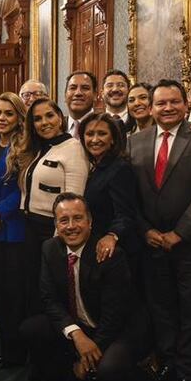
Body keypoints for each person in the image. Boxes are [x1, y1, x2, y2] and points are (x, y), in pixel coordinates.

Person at [19, 193, 164, 381]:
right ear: (56, 224)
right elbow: (49, 300)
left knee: (109, 368)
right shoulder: (49, 248)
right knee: (31, 329)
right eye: (63, 220)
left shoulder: (110, 255)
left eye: (78, 218)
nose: (71, 226)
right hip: (83, 325)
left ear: (90, 222)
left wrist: (88, 354)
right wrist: (77, 335)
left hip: (121, 329)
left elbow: (114, 315)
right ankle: (73, 379)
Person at [130, 80, 191, 381]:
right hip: (151, 243)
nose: (167, 108)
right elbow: (131, 196)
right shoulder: (135, 141)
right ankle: (167, 361)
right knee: (161, 308)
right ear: (151, 107)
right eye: (161, 103)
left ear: (185, 105)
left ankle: (188, 372)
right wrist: (146, 231)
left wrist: (179, 232)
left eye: (173, 102)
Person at [11, 98, 90, 274]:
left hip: (52, 230)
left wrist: (58, 240)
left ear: (60, 118)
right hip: (29, 227)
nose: (44, 122)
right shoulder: (39, 148)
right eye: (37, 119)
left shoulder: (73, 148)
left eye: (49, 116)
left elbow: (74, 200)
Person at [0, 93, 29, 367]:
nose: (1, 118)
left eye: (8, 113)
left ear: (19, 117)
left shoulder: (26, 147)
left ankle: (17, 351)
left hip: (16, 230)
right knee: (0, 293)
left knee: (15, 295)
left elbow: (23, 189)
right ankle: (6, 346)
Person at [79, 113, 139, 269]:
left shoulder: (120, 168)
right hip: (92, 244)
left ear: (113, 139)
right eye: (90, 134)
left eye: (102, 133)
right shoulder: (93, 166)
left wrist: (112, 235)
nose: (95, 139)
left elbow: (125, 213)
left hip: (114, 251)